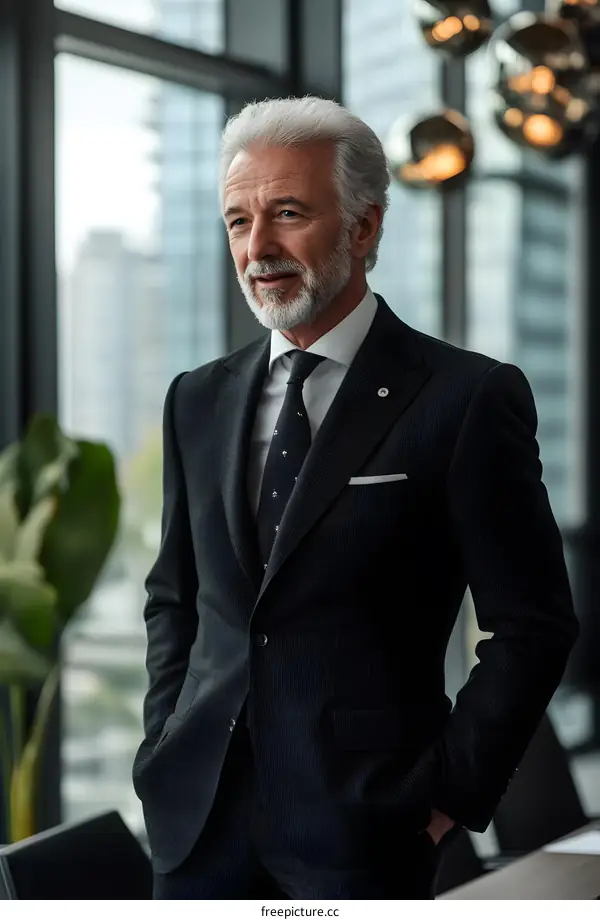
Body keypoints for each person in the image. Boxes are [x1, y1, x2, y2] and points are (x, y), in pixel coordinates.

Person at [132, 96, 579, 900]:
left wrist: (446, 797)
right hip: (194, 829)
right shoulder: (194, 398)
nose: (257, 249)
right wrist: (162, 740)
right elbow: (176, 599)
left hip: (366, 833)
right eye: (238, 221)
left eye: (288, 213)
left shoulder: (466, 397)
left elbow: (533, 625)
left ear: (365, 228)